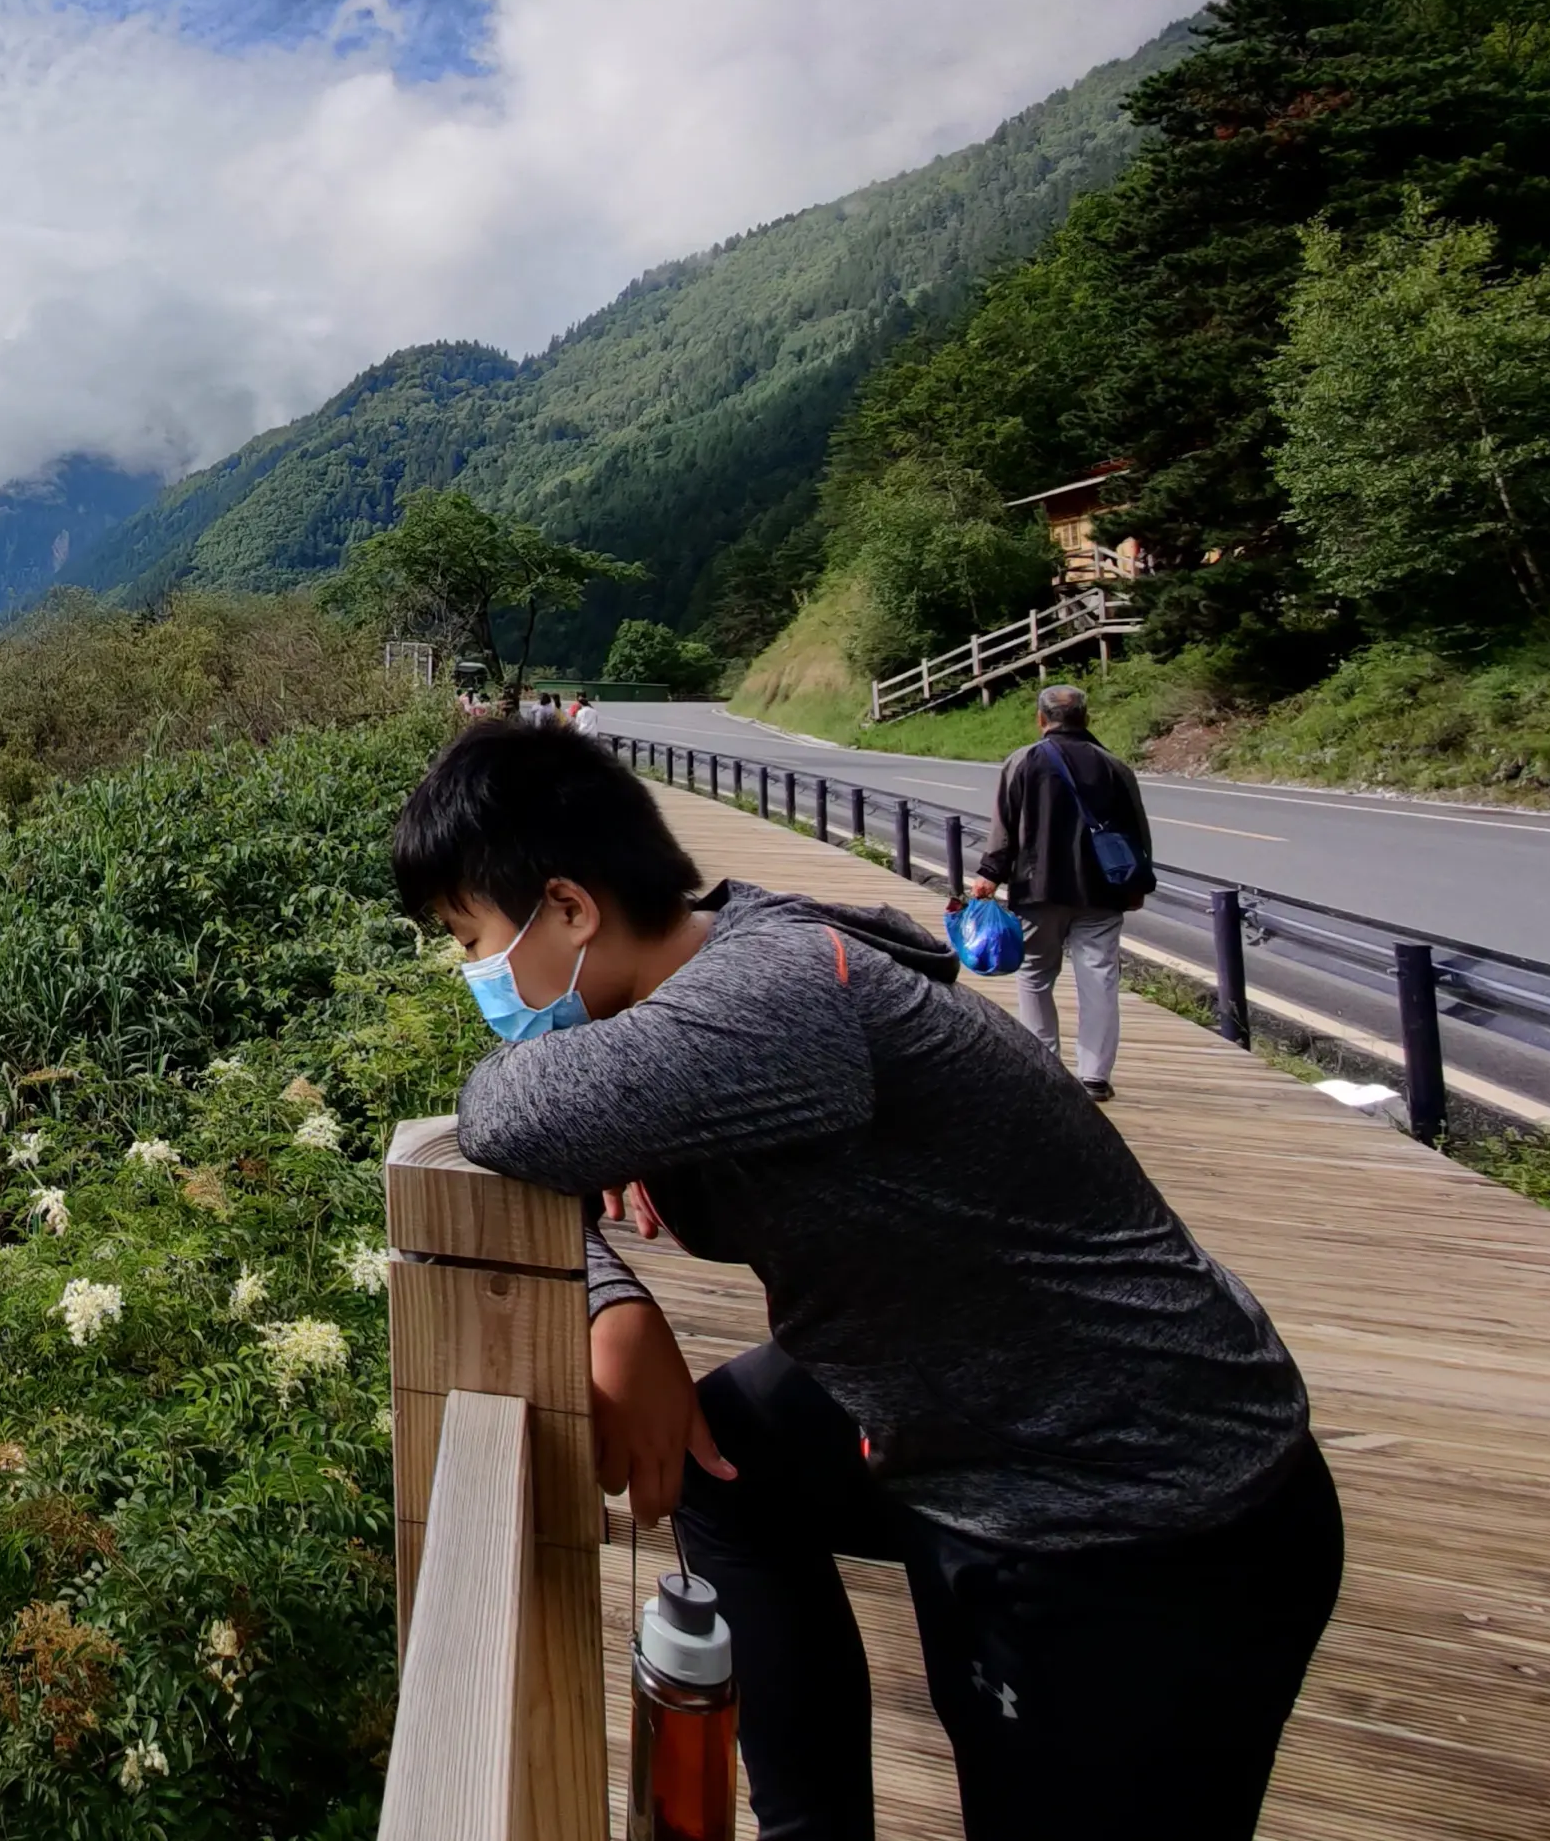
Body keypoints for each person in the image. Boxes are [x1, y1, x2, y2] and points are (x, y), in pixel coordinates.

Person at [394, 723, 1337, 1841]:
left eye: (474, 939)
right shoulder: (722, 961)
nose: (476, 980)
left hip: (1133, 1503)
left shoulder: (768, 1005)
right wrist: (615, 1306)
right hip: (994, 1402)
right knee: (727, 1460)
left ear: (569, 909)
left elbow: (506, 1113)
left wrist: (607, 1153)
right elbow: (542, 1154)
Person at [969, 682, 1154, 1101]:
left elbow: (1004, 828)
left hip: (1039, 889)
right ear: (1086, 718)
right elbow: (1137, 832)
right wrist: (1137, 885)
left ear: (1041, 718)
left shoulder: (1023, 761)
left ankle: (1045, 1069)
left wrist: (989, 875)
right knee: (1100, 979)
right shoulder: (1114, 766)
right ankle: (1094, 1077)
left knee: (1035, 976)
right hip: (1102, 892)